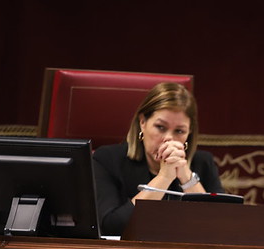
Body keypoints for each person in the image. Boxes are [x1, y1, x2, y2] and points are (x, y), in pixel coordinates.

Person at [93, 82, 225, 235]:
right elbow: (112, 228)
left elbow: (219, 229)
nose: (169, 138)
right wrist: (164, 177)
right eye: (160, 127)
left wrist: (186, 177)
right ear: (143, 122)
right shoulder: (107, 159)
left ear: (189, 133)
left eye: (179, 131)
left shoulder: (203, 163)